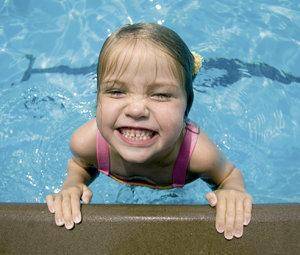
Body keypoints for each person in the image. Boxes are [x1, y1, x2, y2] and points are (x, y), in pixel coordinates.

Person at [46, 23, 252, 240]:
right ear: (98, 100)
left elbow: (229, 176)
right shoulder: (86, 142)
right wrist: (73, 184)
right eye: (116, 91)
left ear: (186, 108)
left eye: (161, 95)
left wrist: (232, 192)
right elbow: (80, 165)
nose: (136, 110)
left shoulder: (198, 154)